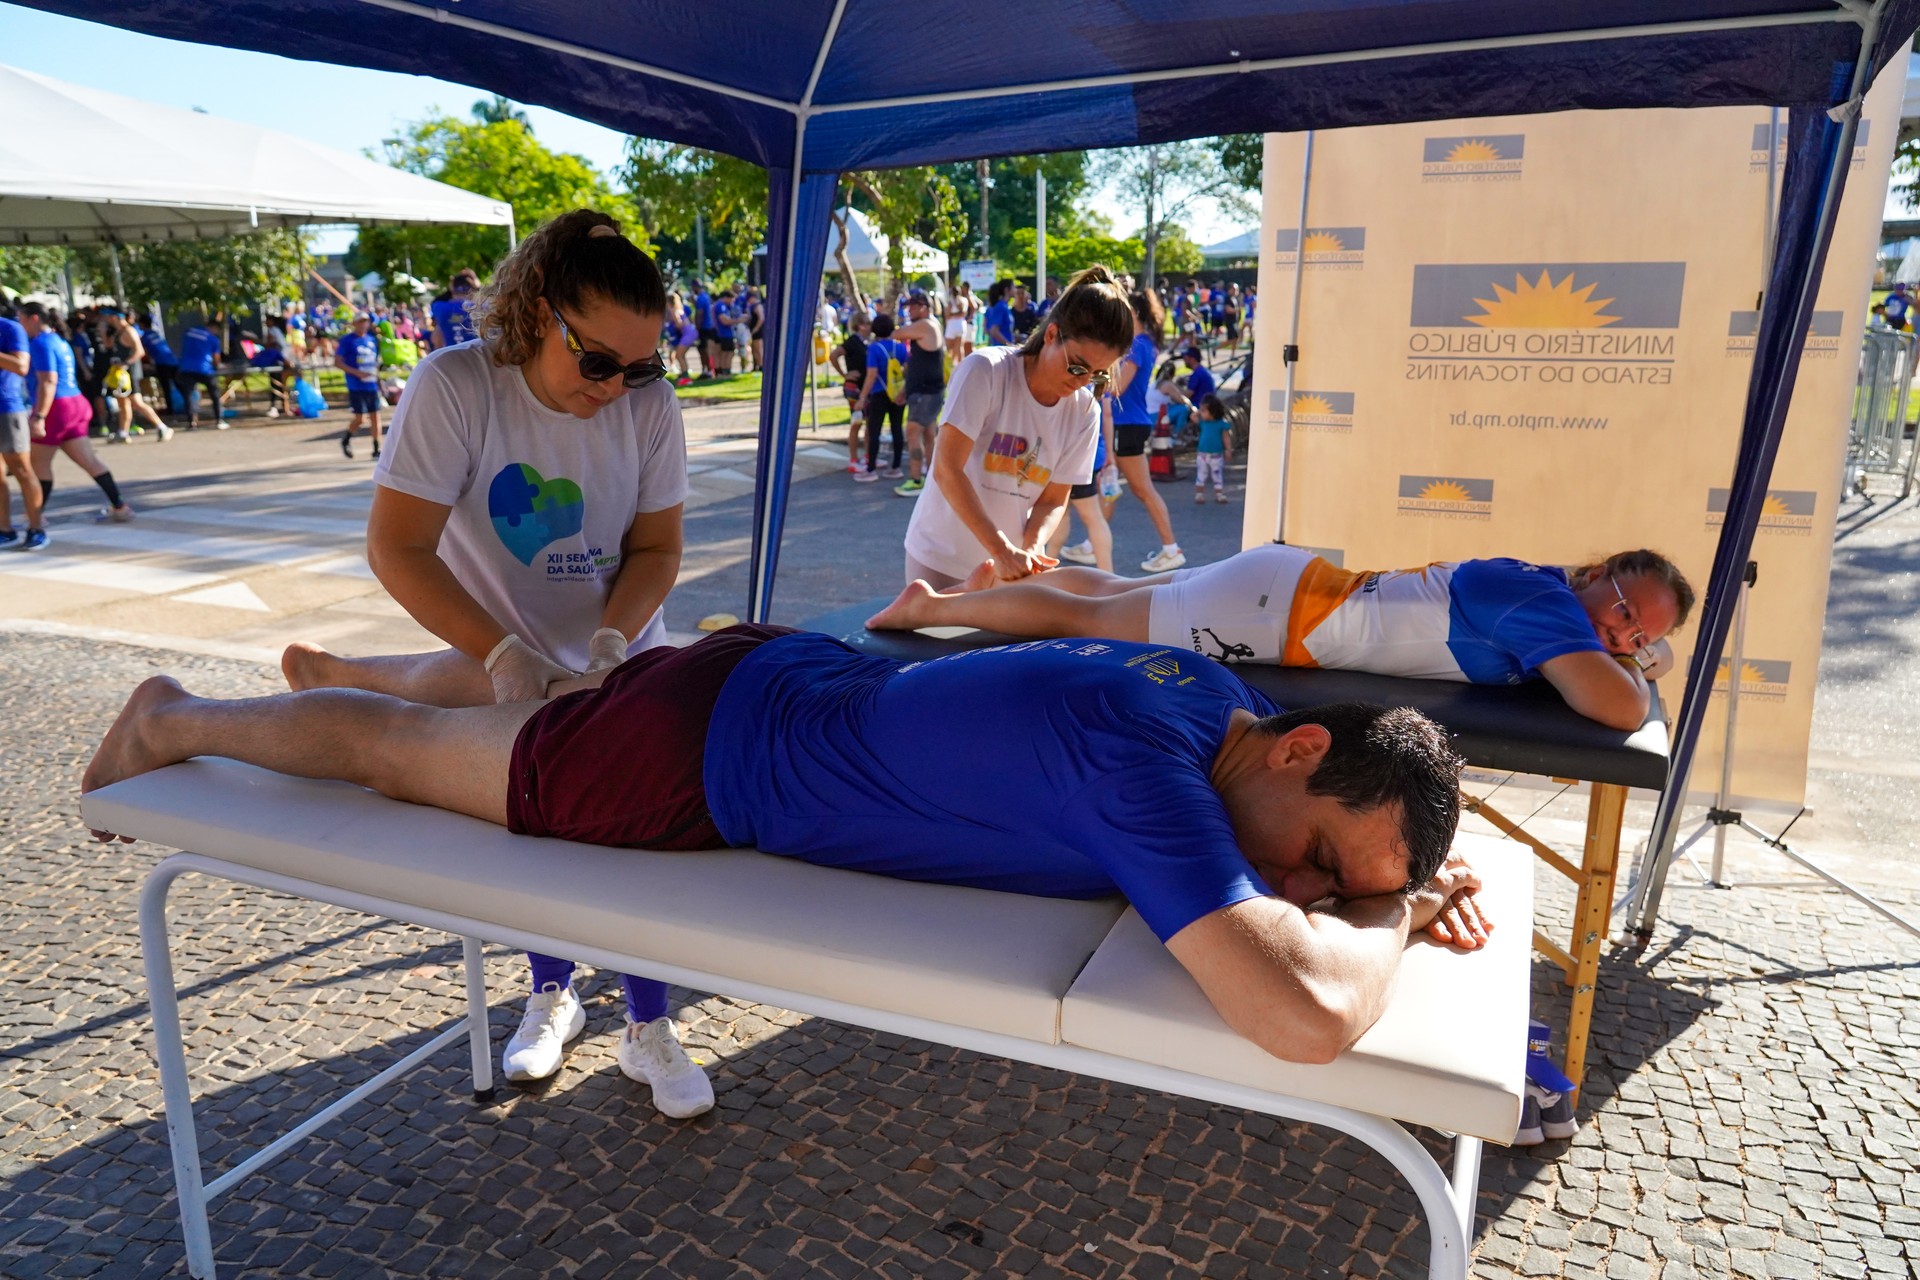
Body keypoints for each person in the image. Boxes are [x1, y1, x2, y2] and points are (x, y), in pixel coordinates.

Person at [85, 627, 1491, 1071]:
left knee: (535, 711)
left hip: (772, 675)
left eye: (1328, 887)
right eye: (1317, 858)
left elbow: (1306, 886)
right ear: (1303, 752)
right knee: (398, 765)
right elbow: (1302, 1012)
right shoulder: (1146, 765)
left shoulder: (1219, 703)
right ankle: (176, 717)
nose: (1298, 893)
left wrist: (1393, 868)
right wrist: (1391, 919)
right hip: (692, 765)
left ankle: (455, 679)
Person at [277, 209, 709, 1119]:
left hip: (624, 651)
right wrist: (506, 654)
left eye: (640, 367)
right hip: (498, 651)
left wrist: (611, 645)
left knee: (635, 836)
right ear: (538, 313)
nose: (616, 388)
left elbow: (658, 551)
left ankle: (647, 1020)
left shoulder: (650, 408)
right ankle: (550, 991)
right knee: (532, 831)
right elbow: (398, 548)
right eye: (596, 361)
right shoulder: (457, 386)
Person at [869, 547, 1695, 732]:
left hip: (1282, 593)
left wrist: (1626, 656)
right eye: (1626, 607)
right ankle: (925, 608)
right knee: (1087, 620)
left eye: (1640, 632)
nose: (1622, 630)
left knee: (1115, 594)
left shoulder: (1546, 590)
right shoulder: (1545, 604)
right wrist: (1636, 670)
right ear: (1600, 572)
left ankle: (977, 593)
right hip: (1275, 616)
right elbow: (1617, 709)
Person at [898, 265, 1130, 588]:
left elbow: (1052, 500)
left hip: (1008, 568)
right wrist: (1001, 549)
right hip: (941, 556)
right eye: (1078, 366)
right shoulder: (986, 372)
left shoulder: (1084, 412)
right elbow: (947, 469)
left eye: (1098, 374)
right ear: (1051, 335)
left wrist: (1030, 549)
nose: (1082, 383)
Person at [20, 303, 133, 526]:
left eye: (21, 319)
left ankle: (35, 515)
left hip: (56, 406)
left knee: (38, 465)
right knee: (89, 461)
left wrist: (39, 415)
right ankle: (120, 506)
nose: (20, 325)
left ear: (33, 319)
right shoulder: (59, 341)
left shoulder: (40, 343)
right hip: (75, 403)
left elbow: (49, 380)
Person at [1110, 291, 1185, 573]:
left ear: (1134, 313)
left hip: (1127, 423)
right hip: (1128, 422)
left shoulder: (1137, 346)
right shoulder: (1141, 343)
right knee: (1107, 481)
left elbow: (1117, 387)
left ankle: (1171, 548)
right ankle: (1094, 542)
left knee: (1142, 489)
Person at [891, 289, 947, 497]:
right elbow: (920, 364)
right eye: (909, 307)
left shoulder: (925, 325)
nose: (910, 311)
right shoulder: (931, 324)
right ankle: (933, 479)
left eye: (914, 307)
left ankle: (916, 479)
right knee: (929, 434)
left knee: (913, 433)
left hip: (925, 392)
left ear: (925, 307)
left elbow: (896, 334)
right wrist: (906, 389)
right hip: (927, 390)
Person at [0, 301, 47, 549]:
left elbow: (21, 366)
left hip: (6, 408)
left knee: (22, 471)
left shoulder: (9, 328)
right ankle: (4, 529)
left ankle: (36, 528)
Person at [100, 311, 173, 443]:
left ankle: (162, 427)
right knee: (123, 403)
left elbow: (140, 351)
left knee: (137, 402)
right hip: (119, 374)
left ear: (115, 317)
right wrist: (103, 332)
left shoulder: (129, 331)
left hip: (128, 373)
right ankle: (123, 432)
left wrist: (126, 364)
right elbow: (108, 346)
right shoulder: (117, 332)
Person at [854, 313, 907, 481]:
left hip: (878, 392)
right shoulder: (901, 348)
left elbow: (872, 374)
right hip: (897, 393)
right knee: (896, 428)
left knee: (874, 430)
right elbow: (907, 370)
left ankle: (871, 469)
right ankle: (896, 466)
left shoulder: (874, 349)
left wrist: (862, 397)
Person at [334, 313, 383, 460]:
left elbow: (375, 362)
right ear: (354, 323)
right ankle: (346, 439)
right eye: (360, 321)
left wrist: (379, 380)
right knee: (360, 418)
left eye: (365, 321)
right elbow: (338, 362)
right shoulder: (347, 341)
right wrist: (356, 373)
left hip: (371, 384)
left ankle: (376, 448)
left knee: (375, 416)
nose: (363, 324)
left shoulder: (371, 340)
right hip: (356, 385)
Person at [832, 312, 871, 474]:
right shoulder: (852, 341)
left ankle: (869, 456)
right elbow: (833, 355)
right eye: (868, 323)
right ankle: (853, 459)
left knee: (869, 421)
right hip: (854, 387)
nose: (870, 326)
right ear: (860, 325)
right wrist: (844, 374)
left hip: (864, 386)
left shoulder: (866, 342)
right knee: (857, 422)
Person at [174, 316, 225, 431]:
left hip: (186, 368)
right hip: (204, 369)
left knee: (189, 396)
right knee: (214, 394)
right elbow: (216, 359)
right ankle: (219, 420)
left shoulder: (189, 332)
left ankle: (192, 423)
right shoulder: (213, 339)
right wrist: (218, 365)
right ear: (214, 328)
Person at [136, 312, 179, 416]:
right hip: (173, 361)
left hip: (162, 364)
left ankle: (171, 411)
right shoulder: (156, 334)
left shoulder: (144, 337)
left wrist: (149, 364)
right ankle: (186, 408)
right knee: (178, 385)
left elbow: (145, 353)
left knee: (166, 388)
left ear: (141, 324)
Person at [1192, 393, 1232, 504]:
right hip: (1203, 454)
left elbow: (1226, 438)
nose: (1201, 413)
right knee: (1201, 473)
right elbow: (1193, 417)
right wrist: (1199, 411)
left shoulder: (1221, 425)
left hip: (1216, 454)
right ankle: (1199, 494)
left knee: (1217, 474)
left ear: (1213, 412)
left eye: (1204, 411)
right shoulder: (1203, 423)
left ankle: (1219, 493)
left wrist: (1228, 450)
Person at [431, 269, 481, 350]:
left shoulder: (439, 307)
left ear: (452, 288)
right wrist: (478, 286)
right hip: (476, 357)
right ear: (472, 288)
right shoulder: (479, 307)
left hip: (450, 357)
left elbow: (435, 339)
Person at [944, 280, 974, 364]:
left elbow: (948, 315)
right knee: (960, 347)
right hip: (961, 325)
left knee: (949, 348)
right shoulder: (964, 300)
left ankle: (950, 365)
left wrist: (952, 315)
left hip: (952, 325)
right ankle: (960, 365)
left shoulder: (951, 302)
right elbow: (964, 313)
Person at [982, 281, 1014, 346]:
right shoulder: (1000, 306)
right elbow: (993, 331)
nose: (1015, 290)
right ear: (1006, 290)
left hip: (1001, 348)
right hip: (1000, 349)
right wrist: (1009, 345)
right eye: (1013, 287)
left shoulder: (1004, 306)